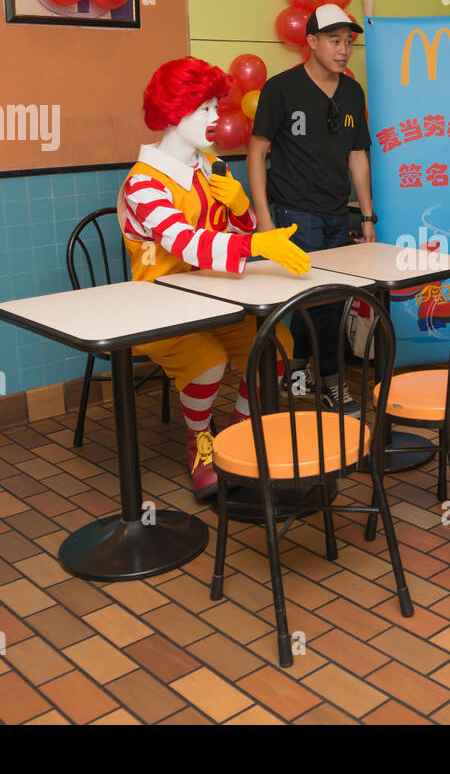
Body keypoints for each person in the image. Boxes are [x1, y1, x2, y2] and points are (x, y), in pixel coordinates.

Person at [118, 57, 311, 499]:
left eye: (214, 107)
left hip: (215, 299)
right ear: (173, 113)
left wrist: (242, 207)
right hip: (157, 309)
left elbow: (234, 232)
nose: (215, 118)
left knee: (278, 339)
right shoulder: (143, 183)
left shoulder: (211, 166)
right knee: (207, 360)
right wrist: (259, 245)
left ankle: (241, 433)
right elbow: (185, 242)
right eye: (203, 108)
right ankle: (200, 444)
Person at [248, 3, 374, 411]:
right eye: (335, 41)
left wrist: (367, 216)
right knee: (318, 300)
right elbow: (256, 153)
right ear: (312, 42)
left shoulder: (353, 91)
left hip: (338, 213)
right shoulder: (281, 88)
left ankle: (298, 373)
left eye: (349, 42)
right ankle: (332, 382)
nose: (343, 50)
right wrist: (265, 220)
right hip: (293, 212)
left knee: (328, 300)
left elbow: (358, 156)